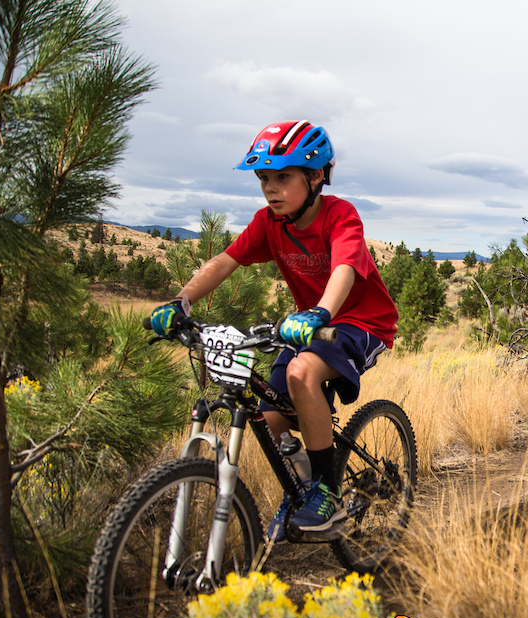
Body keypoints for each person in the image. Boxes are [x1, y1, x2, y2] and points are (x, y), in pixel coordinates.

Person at [149, 120, 398, 540]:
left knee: (302, 374)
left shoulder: (340, 215)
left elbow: (344, 269)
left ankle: (327, 492)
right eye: (264, 177)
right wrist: (181, 301)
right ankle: (300, 490)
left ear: (316, 176)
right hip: (309, 326)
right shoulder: (269, 224)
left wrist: (320, 311)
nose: (270, 187)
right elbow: (223, 262)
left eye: (283, 176)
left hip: (359, 322)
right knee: (268, 413)